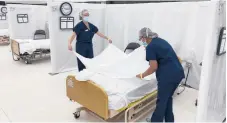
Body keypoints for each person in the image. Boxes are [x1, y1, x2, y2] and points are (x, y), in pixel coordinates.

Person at [136, 27, 185, 122]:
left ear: (145, 37)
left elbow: (153, 67)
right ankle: (169, 120)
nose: (142, 41)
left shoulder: (150, 47)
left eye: (141, 39)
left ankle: (155, 121)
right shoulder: (160, 41)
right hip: (178, 73)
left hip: (168, 77)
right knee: (167, 98)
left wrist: (142, 75)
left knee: (161, 101)